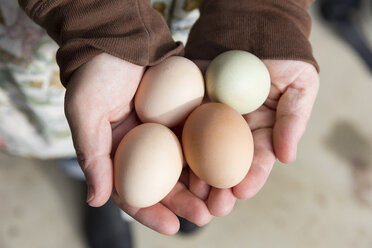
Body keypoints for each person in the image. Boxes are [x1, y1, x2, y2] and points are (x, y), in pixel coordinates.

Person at [8, 0, 319, 246]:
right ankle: (95, 182)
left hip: (187, 33)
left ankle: (149, 176)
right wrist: (98, 21)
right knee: (87, 135)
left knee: (109, 134)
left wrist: (260, 11)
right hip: (63, 32)